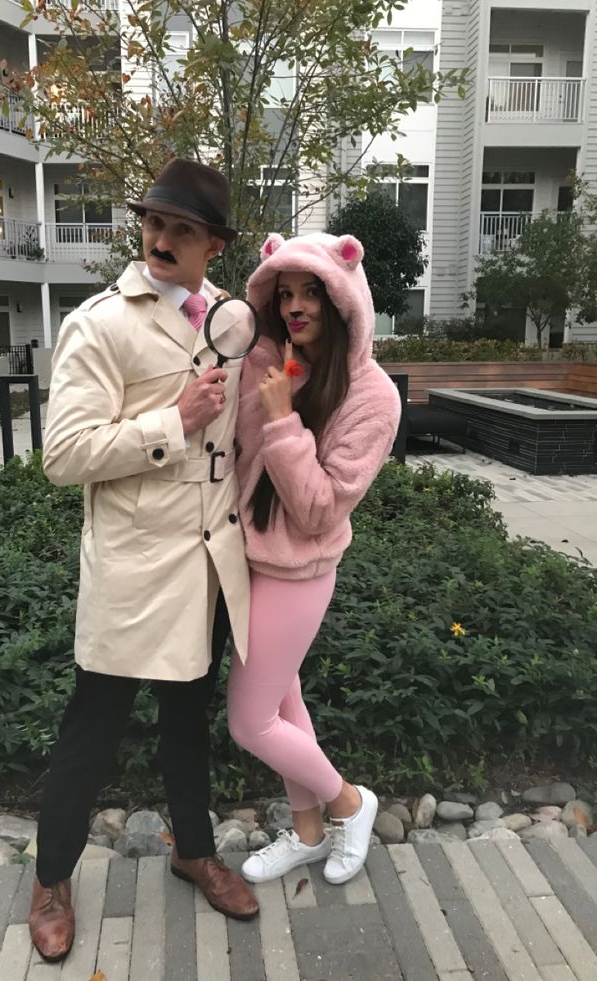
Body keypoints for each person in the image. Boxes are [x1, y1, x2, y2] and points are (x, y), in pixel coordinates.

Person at [29, 158, 259, 963]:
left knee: (186, 727)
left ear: (213, 246)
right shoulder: (100, 323)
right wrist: (173, 419)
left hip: (206, 565)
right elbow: (63, 454)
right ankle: (51, 877)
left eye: (182, 230)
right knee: (91, 730)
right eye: (154, 224)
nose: (161, 240)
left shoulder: (233, 318)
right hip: (132, 569)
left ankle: (193, 850)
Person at [227, 231, 401, 886]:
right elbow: (243, 460)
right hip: (249, 557)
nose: (296, 305)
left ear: (343, 297)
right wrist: (261, 385)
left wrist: (281, 420)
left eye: (312, 292)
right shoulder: (282, 364)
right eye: (286, 293)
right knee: (284, 702)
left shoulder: (373, 397)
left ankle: (349, 803)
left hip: (297, 575)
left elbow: (321, 508)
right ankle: (305, 832)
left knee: (249, 720)